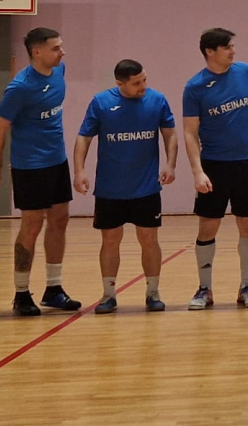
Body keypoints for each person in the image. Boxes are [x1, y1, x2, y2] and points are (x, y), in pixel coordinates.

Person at [0, 27, 82, 316]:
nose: (62, 52)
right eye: (56, 48)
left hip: (57, 160)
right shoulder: (20, 88)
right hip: (30, 165)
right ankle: (21, 293)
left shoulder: (59, 71)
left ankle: (53, 289)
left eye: (61, 46)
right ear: (37, 52)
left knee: (60, 219)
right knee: (32, 224)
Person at [72, 60, 178, 313]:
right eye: (136, 83)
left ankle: (153, 293)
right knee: (110, 240)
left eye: (144, 80)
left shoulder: (157, 100)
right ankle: (108, 295)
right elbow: (84, 137)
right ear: (120, 83)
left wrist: (170, 164)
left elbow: (170, 134)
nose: (143, 86)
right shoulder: (101, 103)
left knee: (149, 239)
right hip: (110, 188)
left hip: (146, 187)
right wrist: (79, 171)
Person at [182, 28, 248, 310]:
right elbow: (189, 133)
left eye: (233, 46)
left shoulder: (246, 72)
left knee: (247, 224)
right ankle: (204, 289)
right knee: (208, 226)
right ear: (210, 51)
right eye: (227, 47)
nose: (233, 51)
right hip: (214, 165)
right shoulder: (195, 87)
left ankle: (246, 286)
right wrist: (197, 171)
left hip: (247, 162)